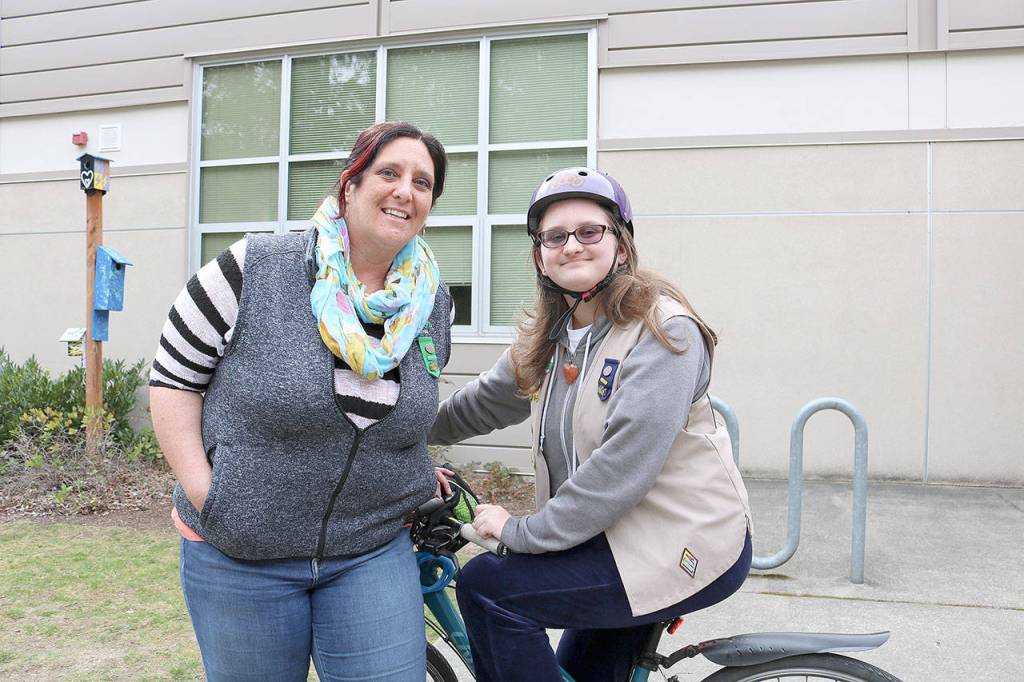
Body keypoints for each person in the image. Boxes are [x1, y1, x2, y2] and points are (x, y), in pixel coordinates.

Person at [149, 121, 455, 681]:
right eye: (388, 172)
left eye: (422, 182)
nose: (404, 191)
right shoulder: (253, 268)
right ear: (350, 185)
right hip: (240, 554)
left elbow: (404, 411)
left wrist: (418, 470)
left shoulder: (431, 302)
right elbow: (173, 381)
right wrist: (208, 494)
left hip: (370, 550)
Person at [430, 167, 753, 681]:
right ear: (540, 255)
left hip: (678, 542)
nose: (572, 246)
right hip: (609, 539)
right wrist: (391, 432)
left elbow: (621, 468)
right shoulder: (551, 337)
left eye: (589, 231)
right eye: (554, 236)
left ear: (621, 247)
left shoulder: (663, 331)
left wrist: (520, 532)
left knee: (489, 587)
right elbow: (479, 405)